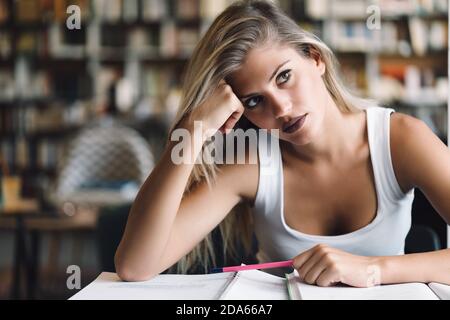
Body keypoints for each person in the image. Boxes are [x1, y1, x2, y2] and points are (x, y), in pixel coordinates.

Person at [115, 0, 450, 287]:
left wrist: (373, 269)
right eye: (255, 101)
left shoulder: (400, 139)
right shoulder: (251, 162)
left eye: (284, 77)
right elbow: (136, 266)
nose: (282, 109)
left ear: (315, 58)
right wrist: (192, 129)